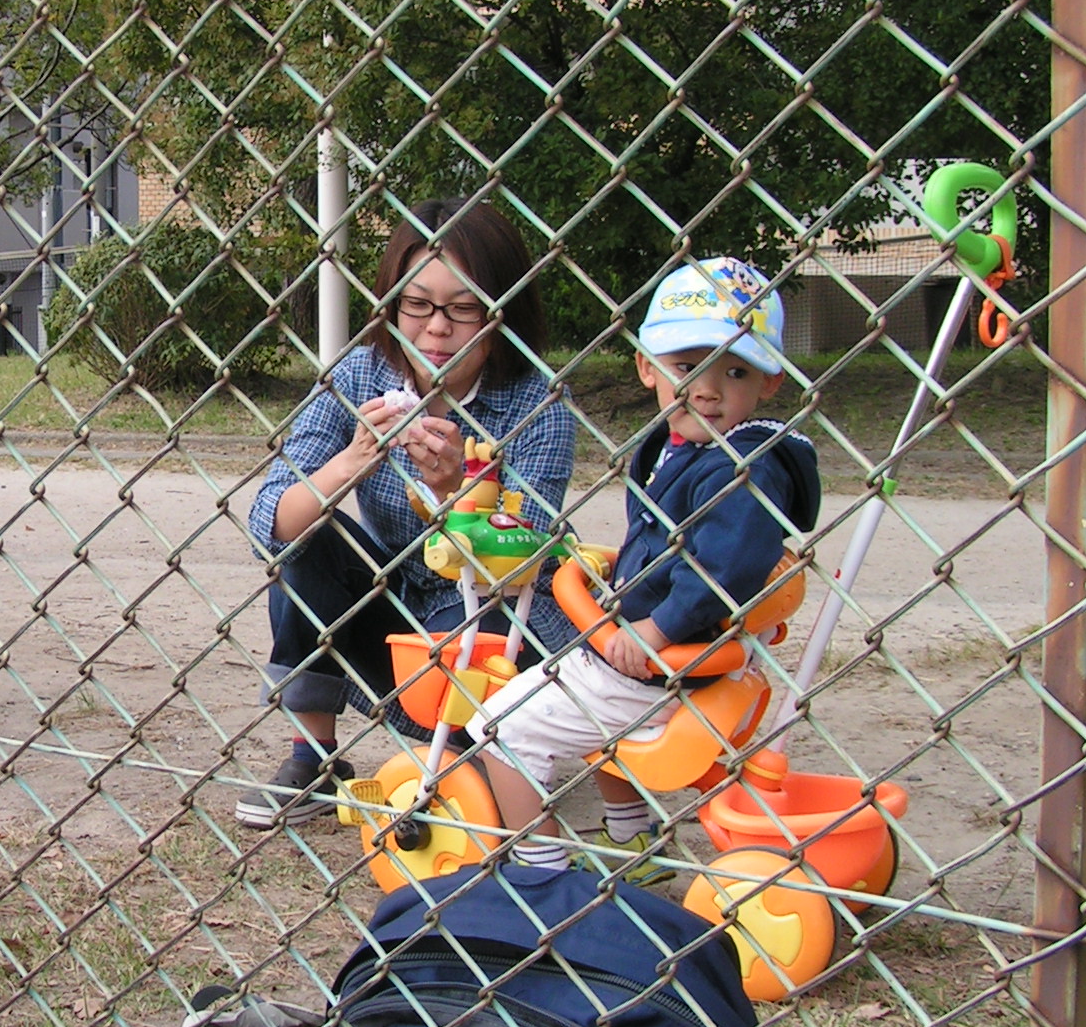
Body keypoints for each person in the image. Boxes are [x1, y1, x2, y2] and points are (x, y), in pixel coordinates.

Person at [464, 256, 821, 881]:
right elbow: (671, 543)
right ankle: (633, 842)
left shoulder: (741, 469)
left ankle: (539, 870)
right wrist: (620, 567)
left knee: (499, 725)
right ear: (647, 367)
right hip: (664, 651)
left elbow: (722, 570)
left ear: (768, 382)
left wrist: (655, 629)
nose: (706, 389)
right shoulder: (680, 445)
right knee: (586, 714)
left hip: (662, 660)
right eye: (686, 366)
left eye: (734, 370)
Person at [236, 197, 577, 829]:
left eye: (462, 308)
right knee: (309, 540)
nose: (436, 329)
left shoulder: (538, 405)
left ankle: (477, 754)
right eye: (416, 305)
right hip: (393, 596)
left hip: (489, 614)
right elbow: (271, 523)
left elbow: (520, 562)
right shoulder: (360, 374)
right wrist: (350, 463)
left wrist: (457, 493)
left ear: (501, 313)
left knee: (484, 637)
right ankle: (313, 756)